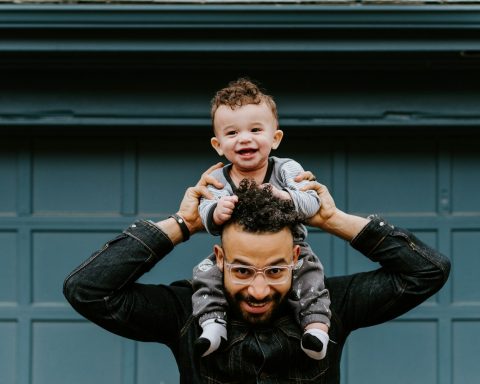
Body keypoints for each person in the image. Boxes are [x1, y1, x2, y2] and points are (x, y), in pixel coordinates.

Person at [63, 163, 450, 384]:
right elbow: (88, 289)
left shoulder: (330, 306)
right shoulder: (185, 313)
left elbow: (426, 272)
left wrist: (333, 219)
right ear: (219, 258)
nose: (260, 289)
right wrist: (183, 224)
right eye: (243, 270)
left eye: (276, 270)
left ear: (297, 257)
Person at [193, 78, 329, 359]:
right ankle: (212, 324)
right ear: (218, 145)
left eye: (255, 130)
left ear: (275, 138)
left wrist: (286, 197)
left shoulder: (286, 169)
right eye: (232, 133)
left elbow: (312, 201)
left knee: (310, 274)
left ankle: (315, 328)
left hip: (292, 249)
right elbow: (204, 212)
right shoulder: (218, 177)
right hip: (236, 255)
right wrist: (215, 212)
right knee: (205, 275)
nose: (244, 138)